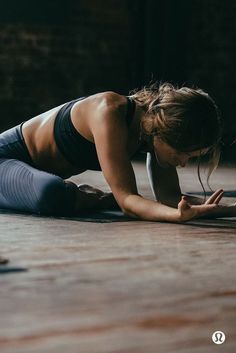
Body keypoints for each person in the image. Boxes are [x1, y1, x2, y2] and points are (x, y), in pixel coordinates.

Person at [0, 82, 235, 222]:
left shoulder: (150, 131)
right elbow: (128, 203)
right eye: (184, 154)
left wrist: (225, 209)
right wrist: (178, 217)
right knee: (51, 193)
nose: (183, 163)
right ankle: (94, 199)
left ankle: (82, 198)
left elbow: (170, 198)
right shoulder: (108, 112)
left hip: (31, 175)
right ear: (164, 130)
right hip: (5, 159)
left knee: (53, 191)